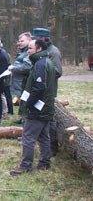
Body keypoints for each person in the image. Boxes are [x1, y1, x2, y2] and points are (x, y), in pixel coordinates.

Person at [10, 39, 56, 175]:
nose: (28, 51)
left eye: (30, 48)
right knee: (43, 136)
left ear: (39, 49)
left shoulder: (41, 64)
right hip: (46, 107)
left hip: (37, 109)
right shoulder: (44, 62)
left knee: (28, 137)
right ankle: (44, 163)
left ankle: (25, 166)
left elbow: (39, 87)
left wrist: (29, 104)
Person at [31, 27, 62, 156]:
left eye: (35, 38)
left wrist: (43, 71)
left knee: (49, 119)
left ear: (43, 38)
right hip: (39, 89)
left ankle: (53, 147)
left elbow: (57, 72)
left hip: (48, 91)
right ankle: (44, 144)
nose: (33, 40)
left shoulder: (53, 52)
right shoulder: (41, 50)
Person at [8, 32, 32, 124]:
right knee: (22, 100)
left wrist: (14, 68)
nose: (20, 43)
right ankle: (23, 118)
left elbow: (27, 67)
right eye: (19, 41)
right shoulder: (22, 52)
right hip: (19, 82)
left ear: (29, 40)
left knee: (26, 100)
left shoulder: (28, 52)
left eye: (22, 41)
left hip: (24, 82)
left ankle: (26, 119)